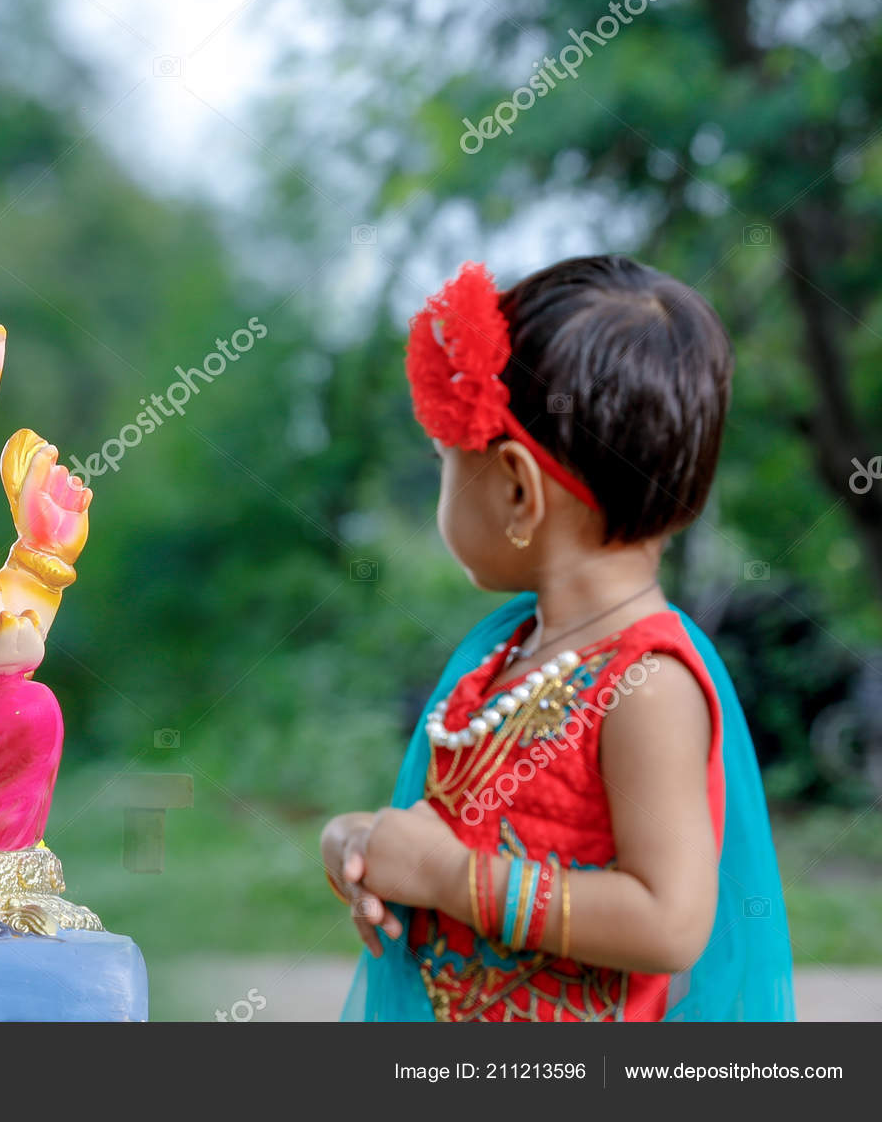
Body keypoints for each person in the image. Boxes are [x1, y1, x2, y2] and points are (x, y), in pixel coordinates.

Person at [322, 256, 795, 1021]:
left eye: (447, 461)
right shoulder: (503, 660)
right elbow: (457, 832)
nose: (443, 480)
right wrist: (366, 843)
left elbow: (671, 921)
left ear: (516, 489)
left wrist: (451, 880)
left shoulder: (648, 686)